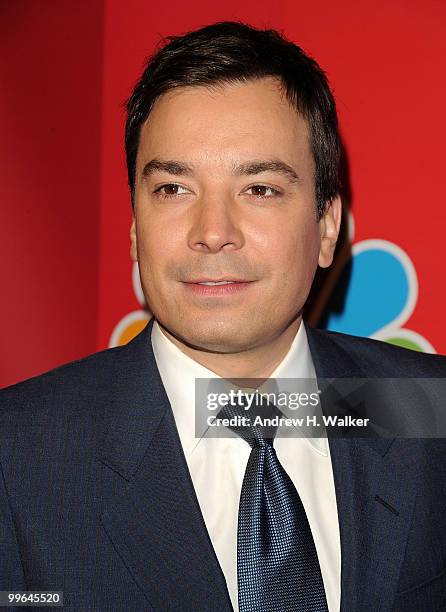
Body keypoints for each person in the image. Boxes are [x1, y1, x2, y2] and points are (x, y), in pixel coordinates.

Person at [1, 21, 445, 612]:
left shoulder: (426, 410)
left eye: (259, 189)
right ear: (135, 226)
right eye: (172, 189)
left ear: (327, 227)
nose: (213, 232)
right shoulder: (18, 453)